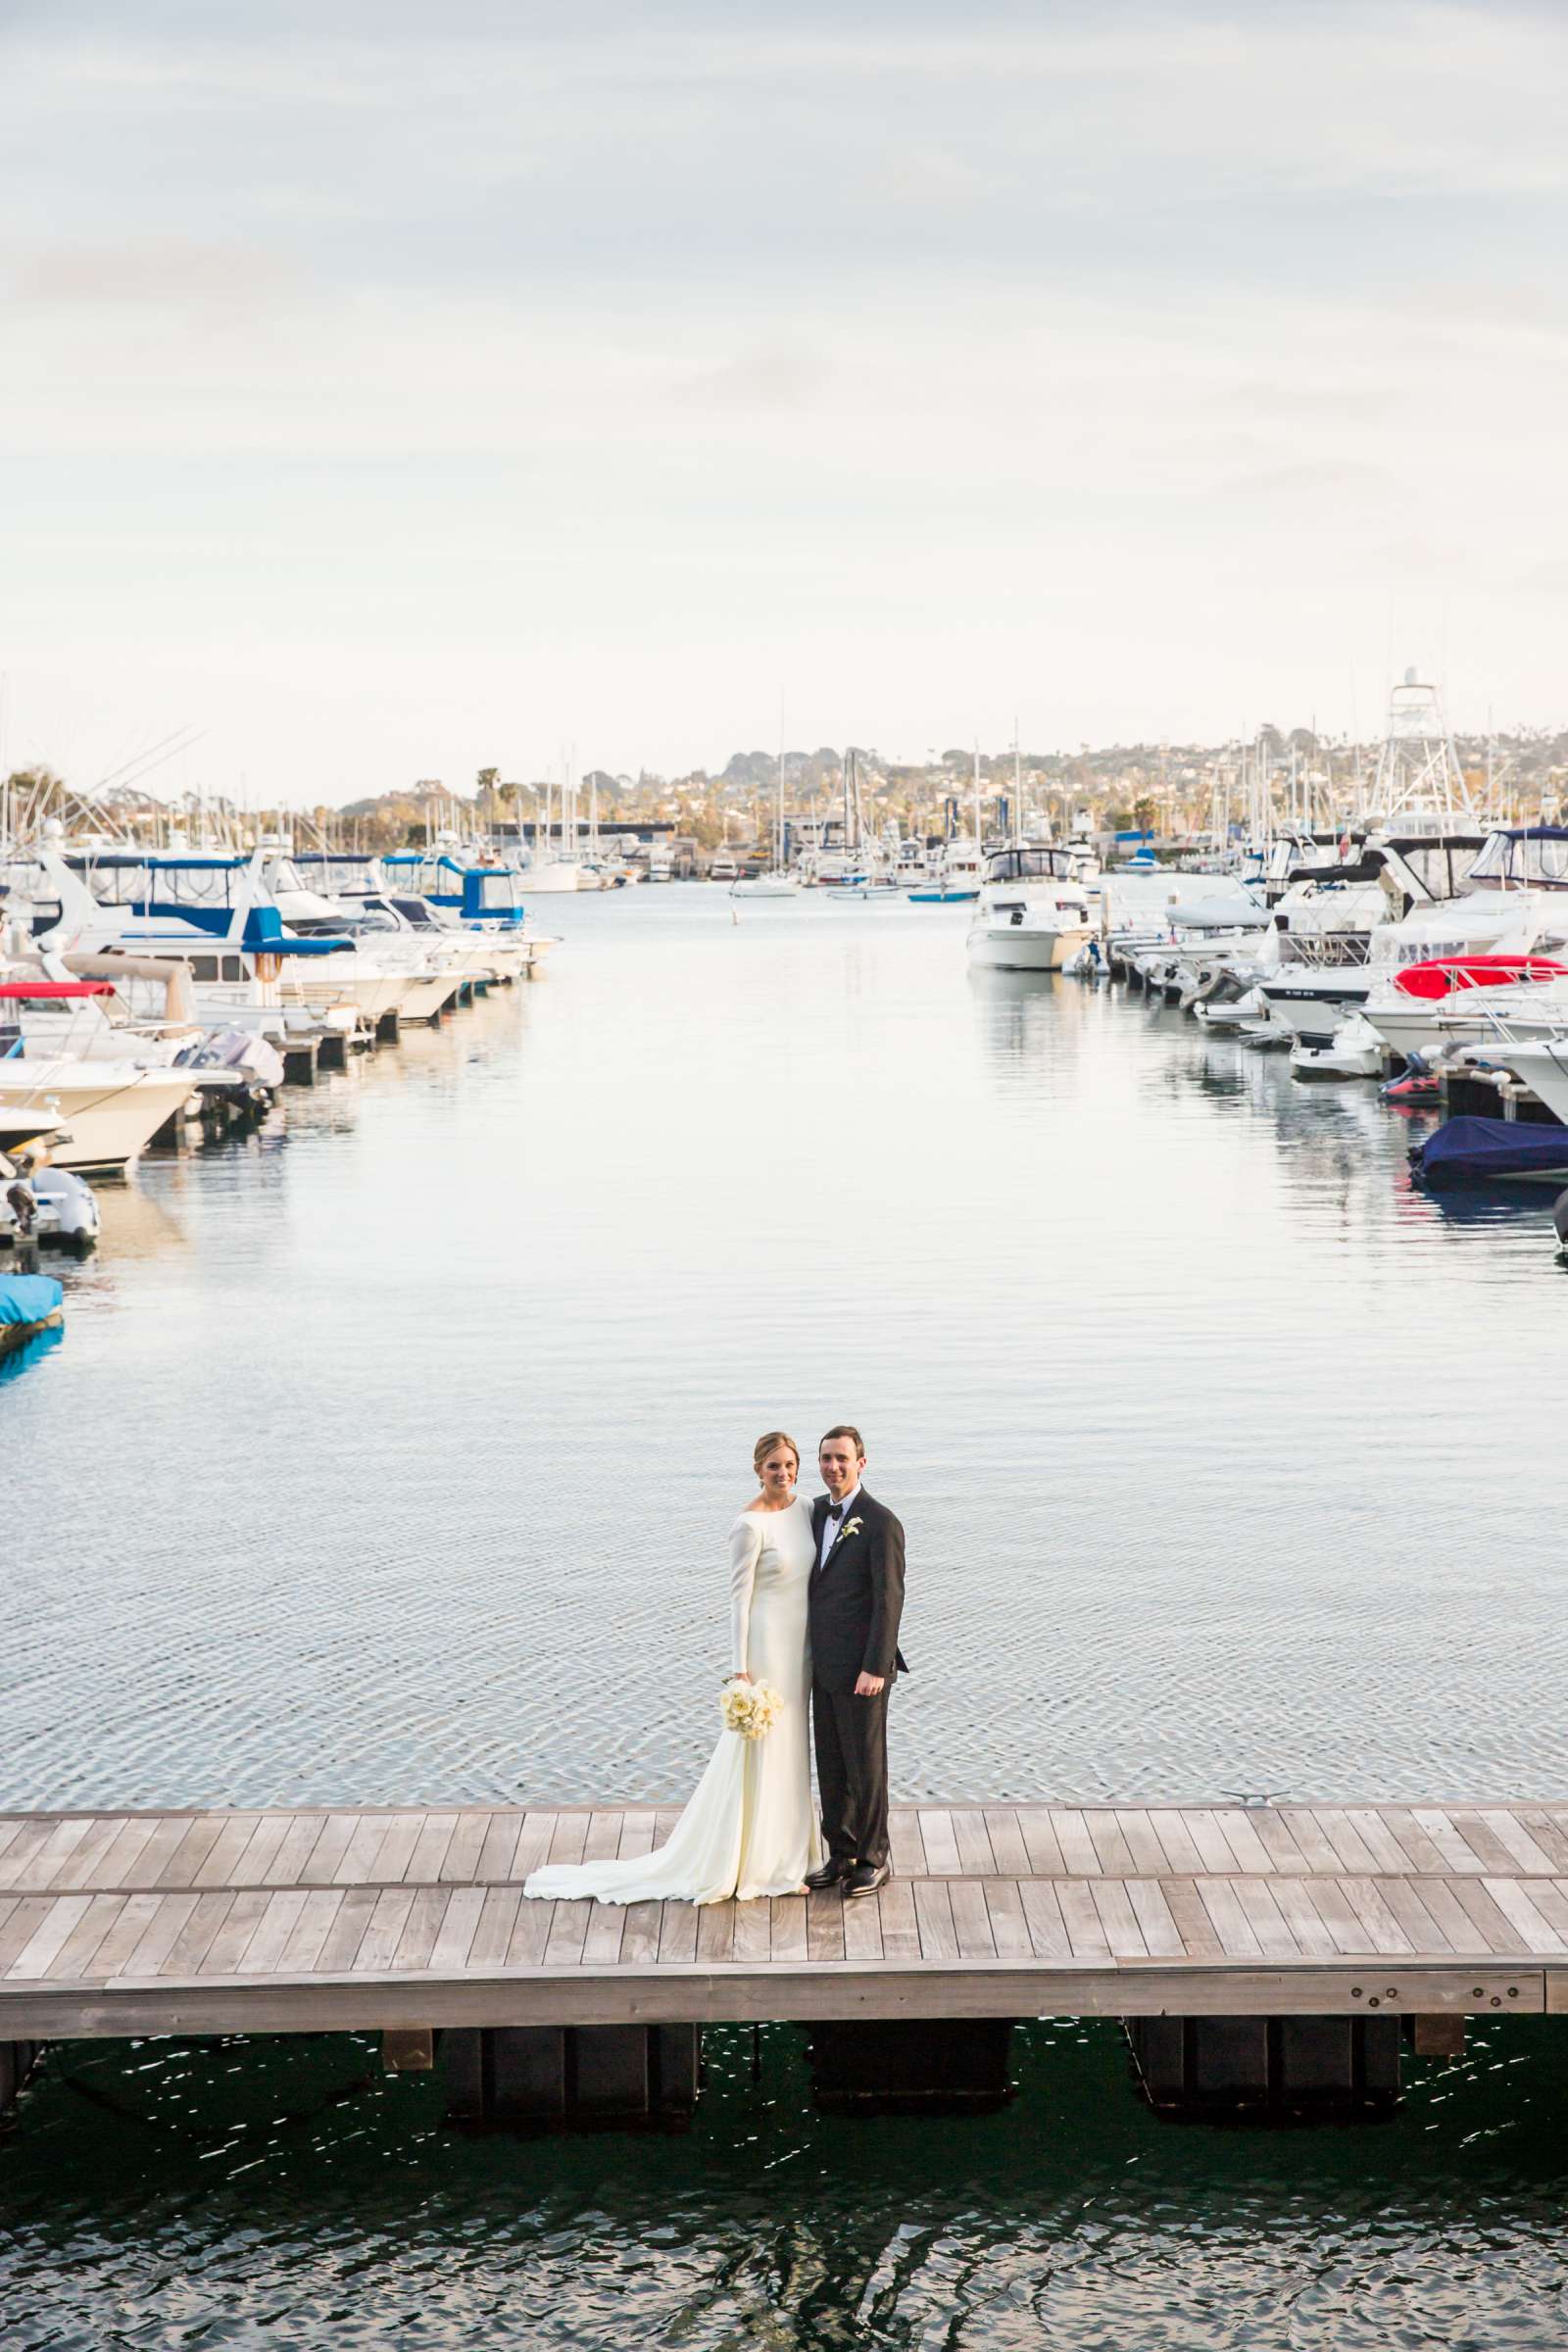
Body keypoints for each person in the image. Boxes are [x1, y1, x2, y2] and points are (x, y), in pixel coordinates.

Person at [522, 1432, 821, 1906]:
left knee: (792, 1751)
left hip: (800, 1650)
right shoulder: (748, 1525)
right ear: (757, 1470)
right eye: (772, 1467)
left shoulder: (807, 1508)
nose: (782, 1473)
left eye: (789, 1465)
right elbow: (738, 1601)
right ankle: (763, 1866)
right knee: (764, 1751)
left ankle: (795, 1854)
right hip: (766, 1649)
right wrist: (739, 1670)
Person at [805, 1425, 907, 1899]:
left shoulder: (880, 1522)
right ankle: (840, 1853)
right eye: (826, 1458)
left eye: (842, 1458)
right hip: (822, 1666)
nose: (833, 1467)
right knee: (831, 1763)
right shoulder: (815, 1513)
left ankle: (873, 1857)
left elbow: (889, 1600)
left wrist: (876, 1667)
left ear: (861, 1463)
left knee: (866, 1766)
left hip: (864, 1669)